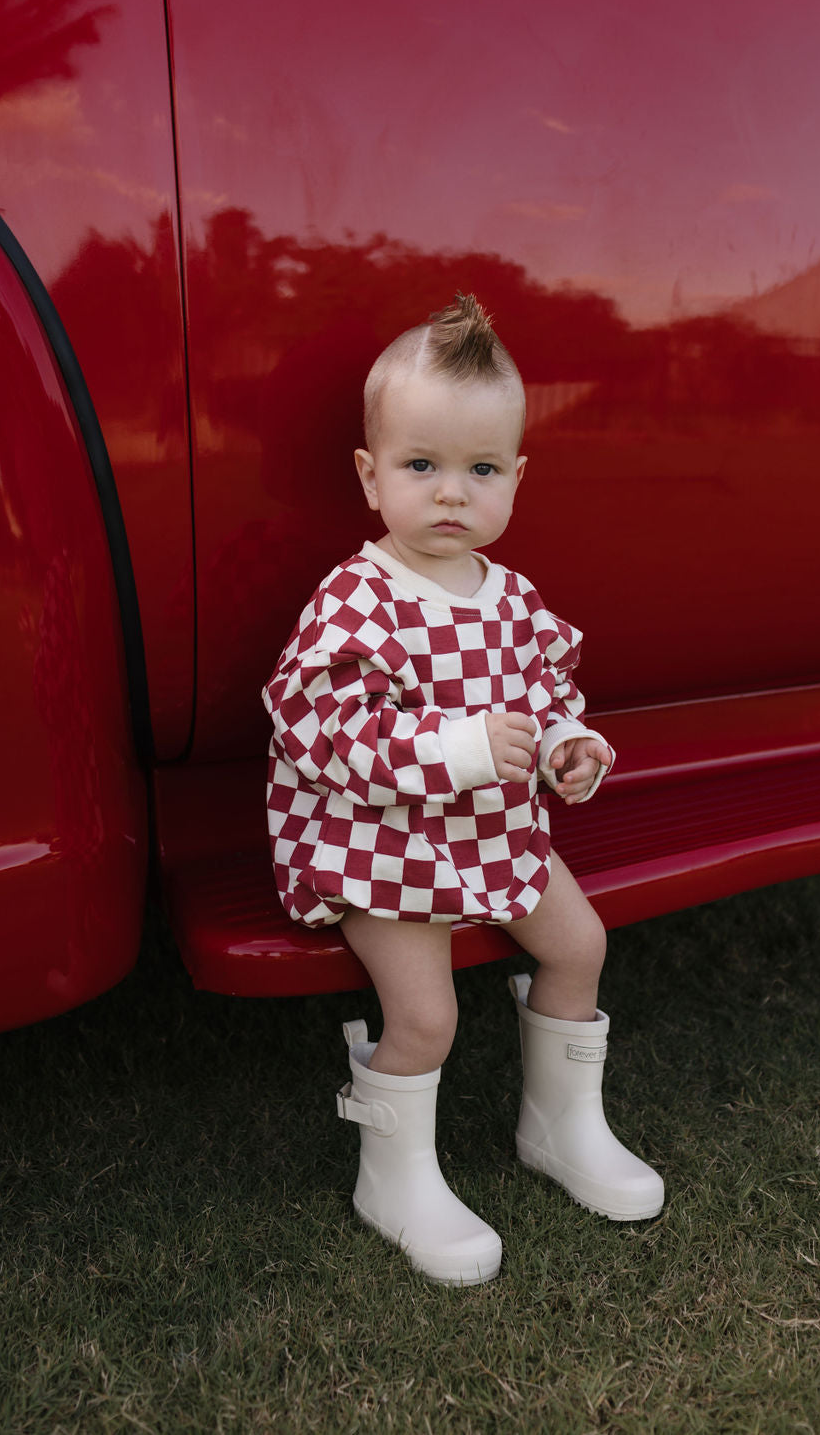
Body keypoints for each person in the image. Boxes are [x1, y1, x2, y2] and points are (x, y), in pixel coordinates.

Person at [263, 294, 663, 1284]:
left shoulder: (511, 596)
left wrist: (568, 742)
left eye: (480, 470)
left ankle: (560, 1126)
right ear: (370, 476)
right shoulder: (358, 597)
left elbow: (549, 694)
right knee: (427, 1014)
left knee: (580, 943)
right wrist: (468, 745)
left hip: (489, 831)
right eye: (421, 466)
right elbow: (327, 734)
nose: (451, 493)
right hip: (377, 838)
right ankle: (392, 1176)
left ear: (515, 478)